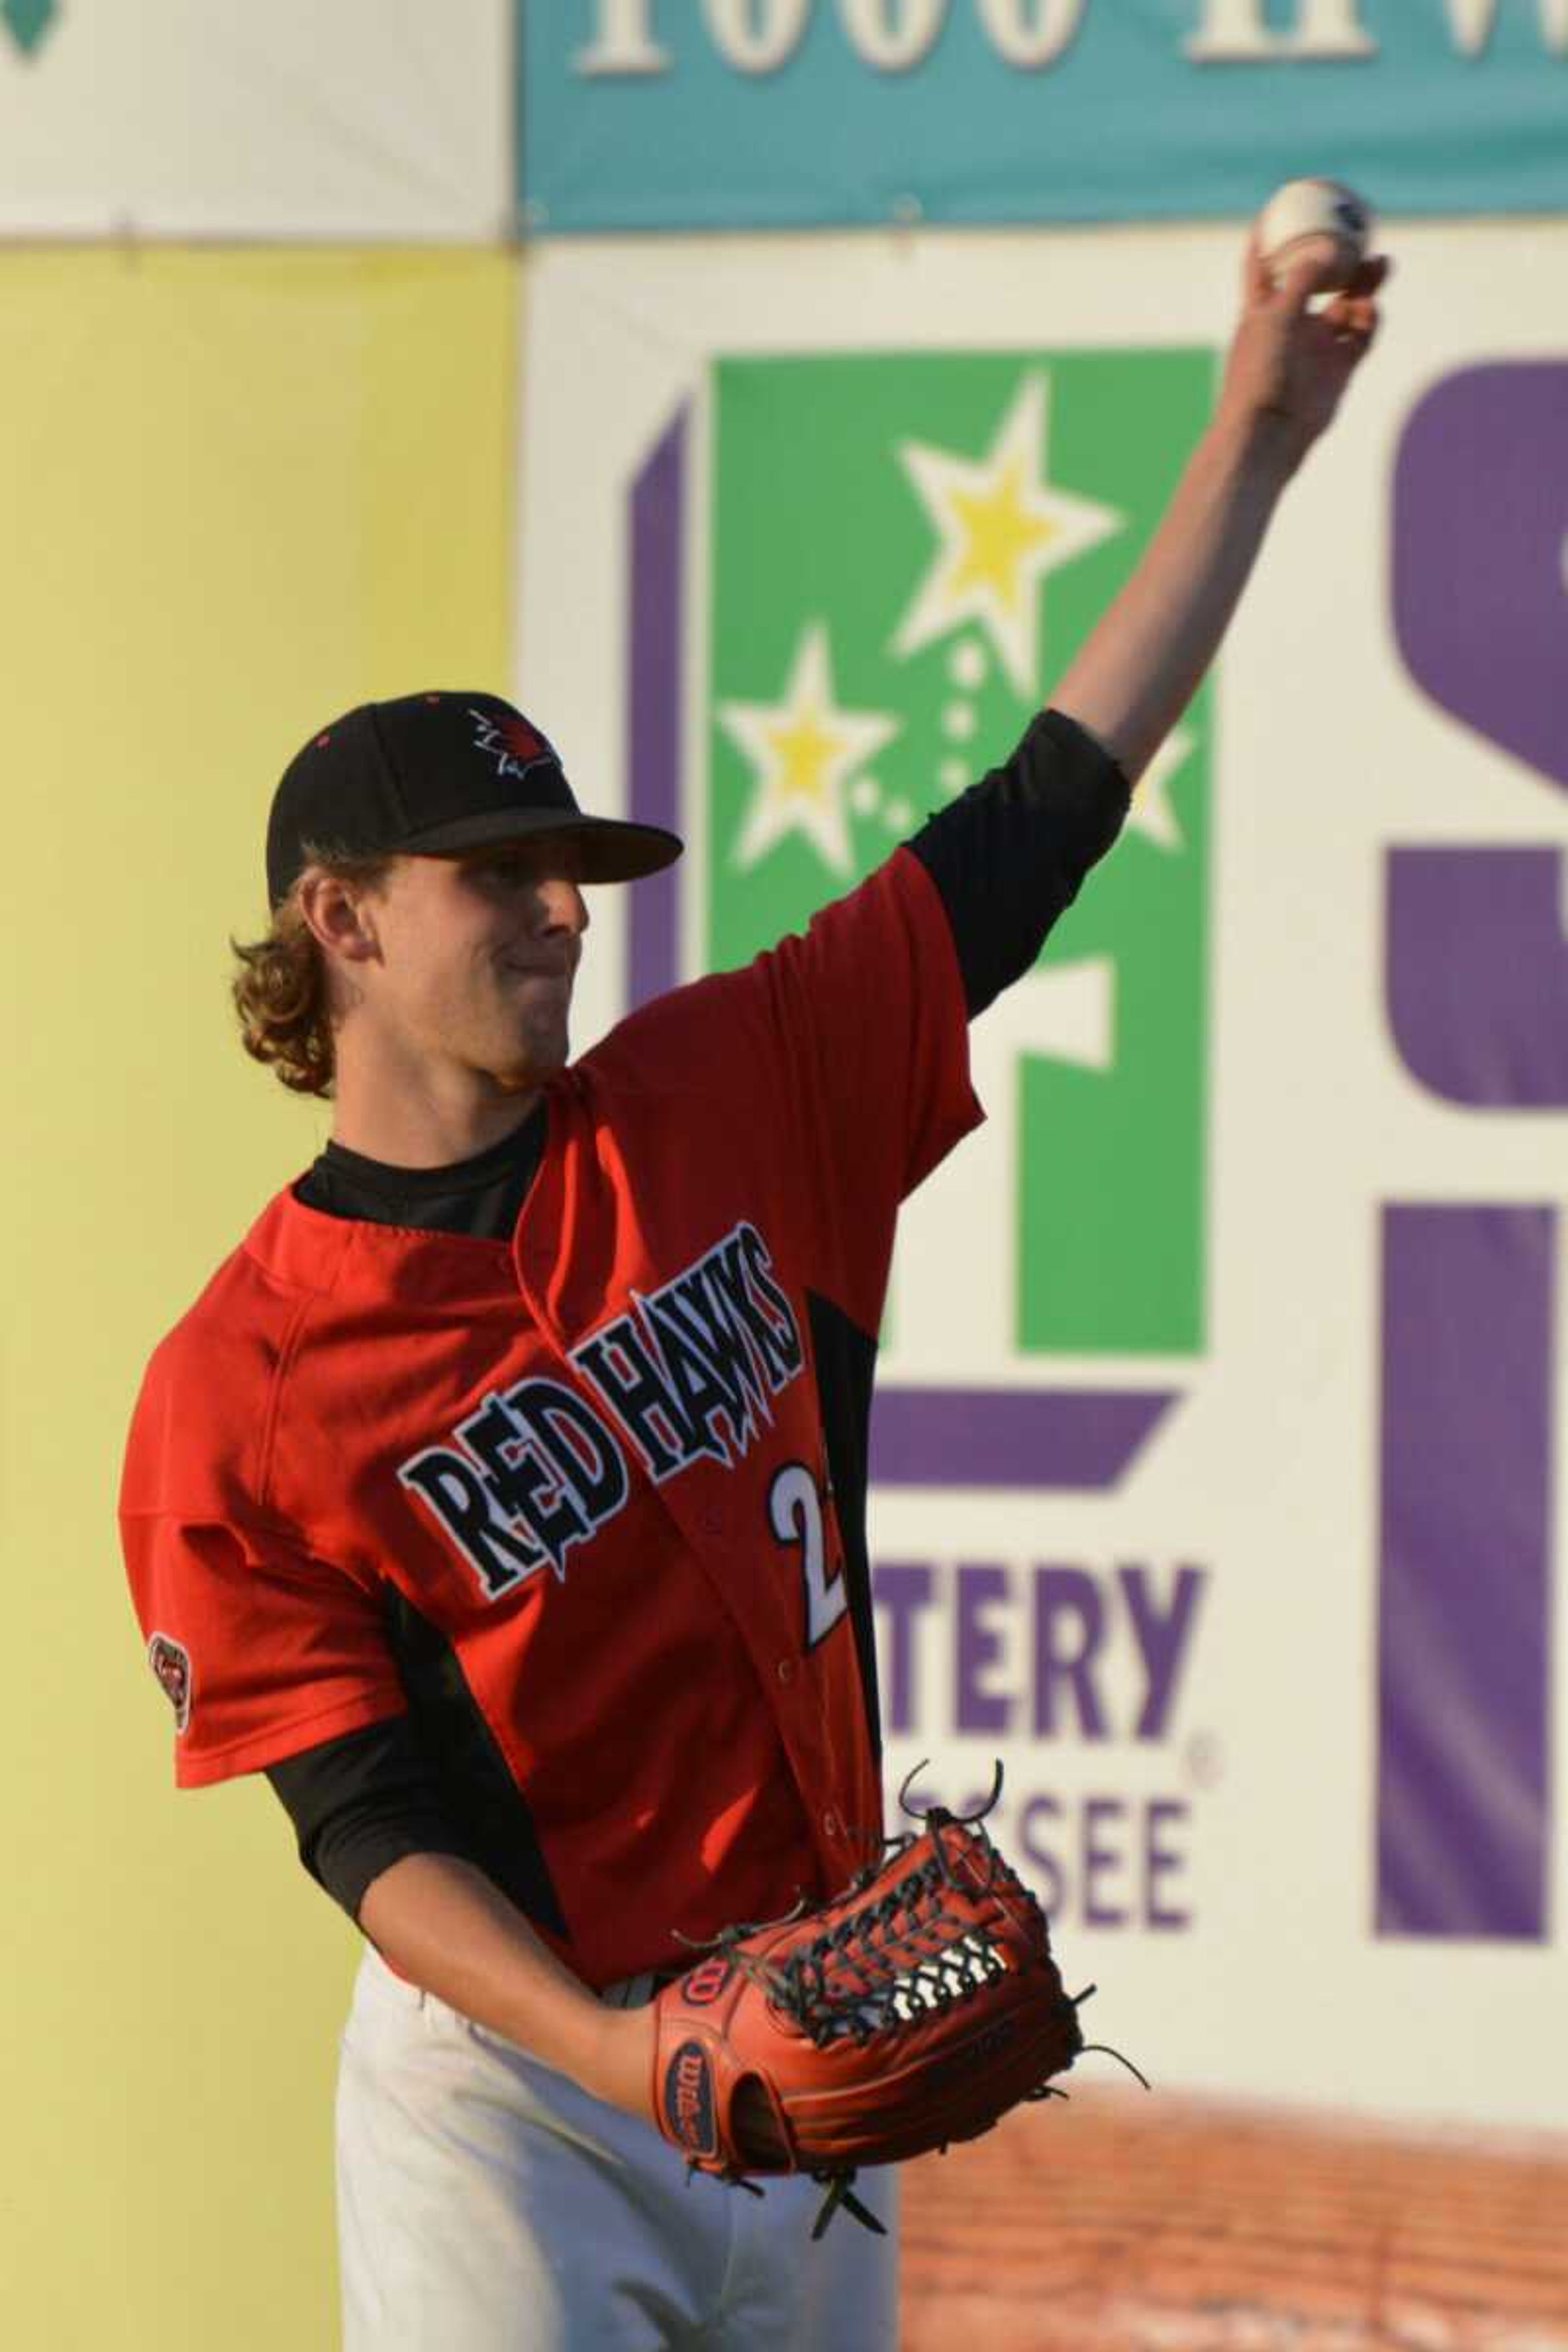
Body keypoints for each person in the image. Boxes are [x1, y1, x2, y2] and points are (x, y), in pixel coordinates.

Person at [120, 232, 1385, 2351]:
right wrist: (617, 2059)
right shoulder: (236, 1385)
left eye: (575, 874)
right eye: (496, 876)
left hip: (805, 2027)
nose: (560, 910)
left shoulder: (733, 1091)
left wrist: (1253, 440)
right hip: (518, 2105)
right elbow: (365, 1826)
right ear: (335, 921)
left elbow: (1038, 818)